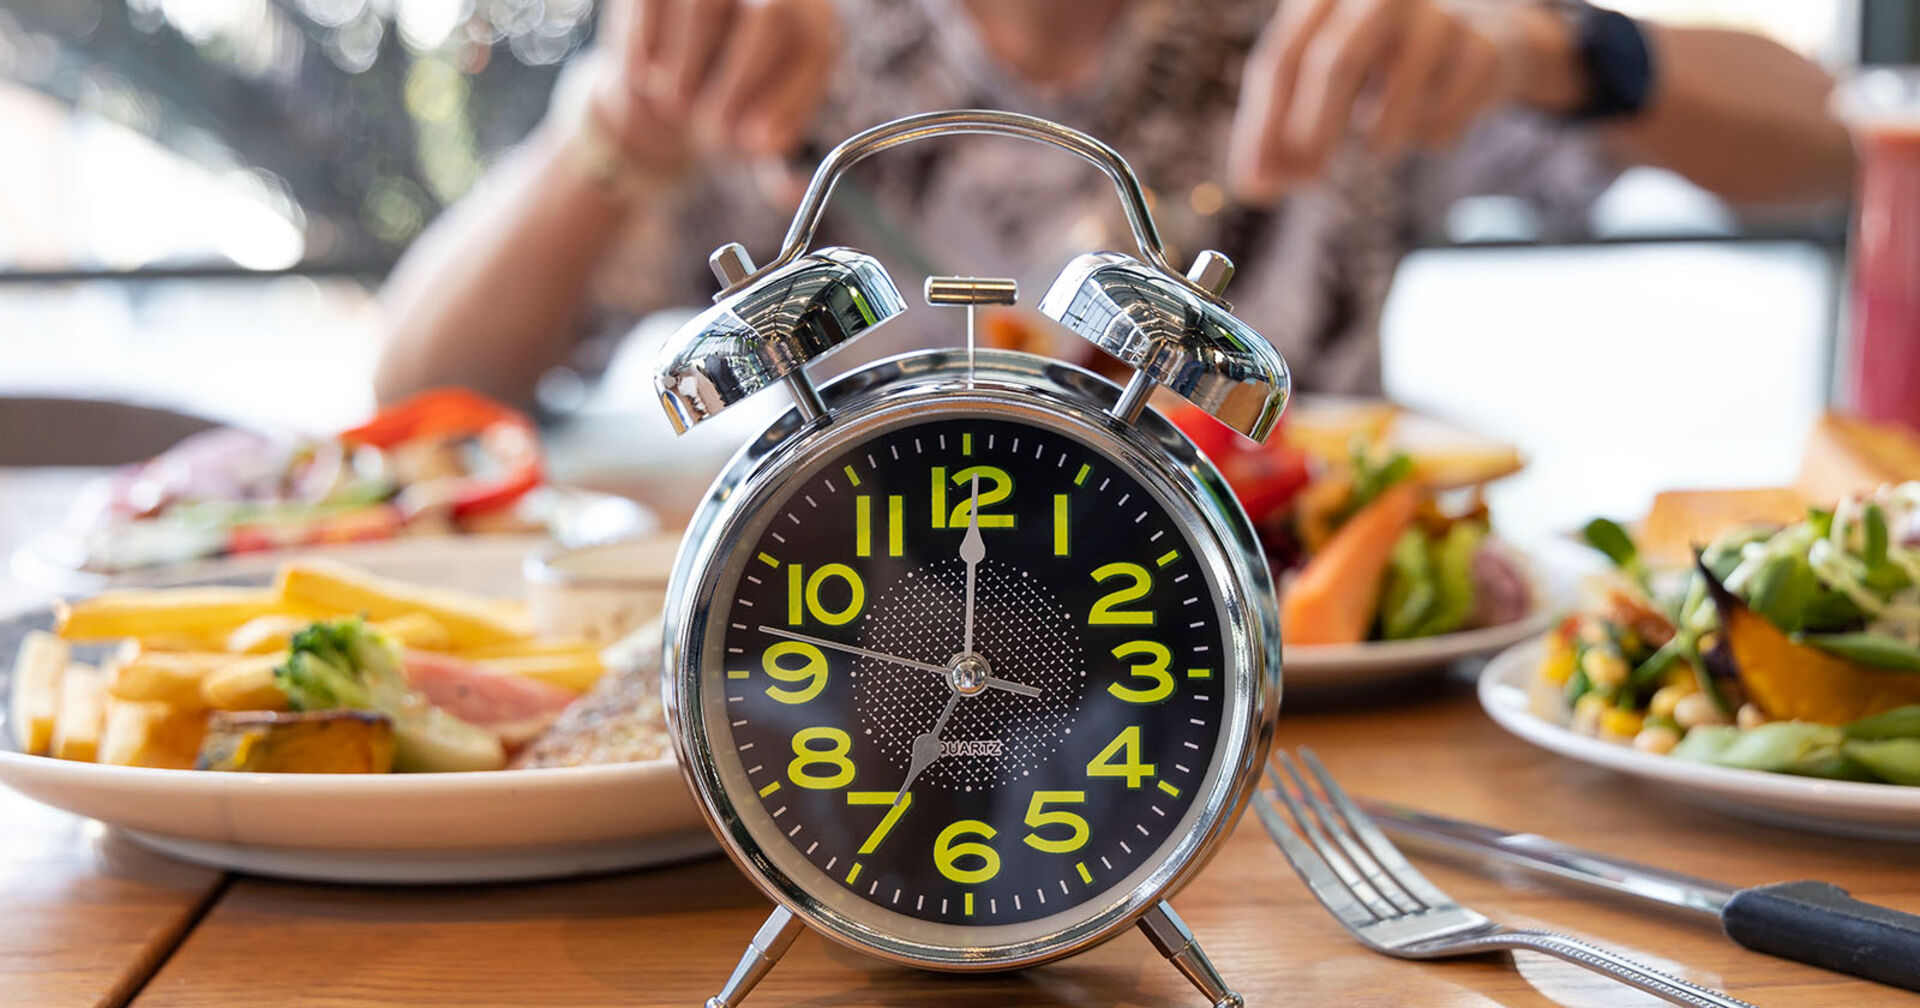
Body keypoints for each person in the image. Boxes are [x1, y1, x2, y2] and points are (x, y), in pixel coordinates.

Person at [374, 0, 1853, 410]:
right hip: (847, 692)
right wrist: (615, 131)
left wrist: (1550, 42)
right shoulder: (781, 44)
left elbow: (1830, 147)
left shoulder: (1350, 33)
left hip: (1323, 727)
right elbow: (419, 390)